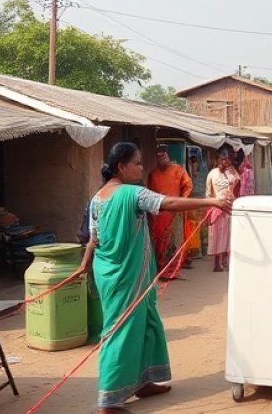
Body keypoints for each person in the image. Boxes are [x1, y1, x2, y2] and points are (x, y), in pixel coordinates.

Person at [77, 142, 231, 412]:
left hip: (122, 272)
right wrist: (213, 201)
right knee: (120, 331)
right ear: (121, 167)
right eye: (136, 162)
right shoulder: (132, 193)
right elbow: (167, 202)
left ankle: (143, 381)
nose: (141, 166)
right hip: (122, 276)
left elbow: (94, 238)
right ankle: (109, 400)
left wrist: (84, 264)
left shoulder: (98, 197)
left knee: (147, 320)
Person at [148, 144, 194, 279]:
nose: (162, 160)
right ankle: (161, 270)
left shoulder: (179, 170)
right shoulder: (153, 174)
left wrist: (181, 202)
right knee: (159, 243)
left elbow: (188, 186)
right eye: (159, 158)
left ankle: (172, 271)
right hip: (159, 213)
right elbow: (150, 193)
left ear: (168, 156)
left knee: (174, 242)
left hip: (175, 213)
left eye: (164, 156)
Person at [206, 147, 240, 272]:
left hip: (230, 207)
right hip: (216, 208)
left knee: (229, 235)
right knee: (216, 236)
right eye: (222, 159)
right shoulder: (212, 174)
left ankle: (227, 261)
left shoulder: (232, 172)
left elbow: (238, 185)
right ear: (218, 160)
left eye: (227, 160)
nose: (225, 162)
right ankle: (216, 263)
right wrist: (209, 208)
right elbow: (208, 193)